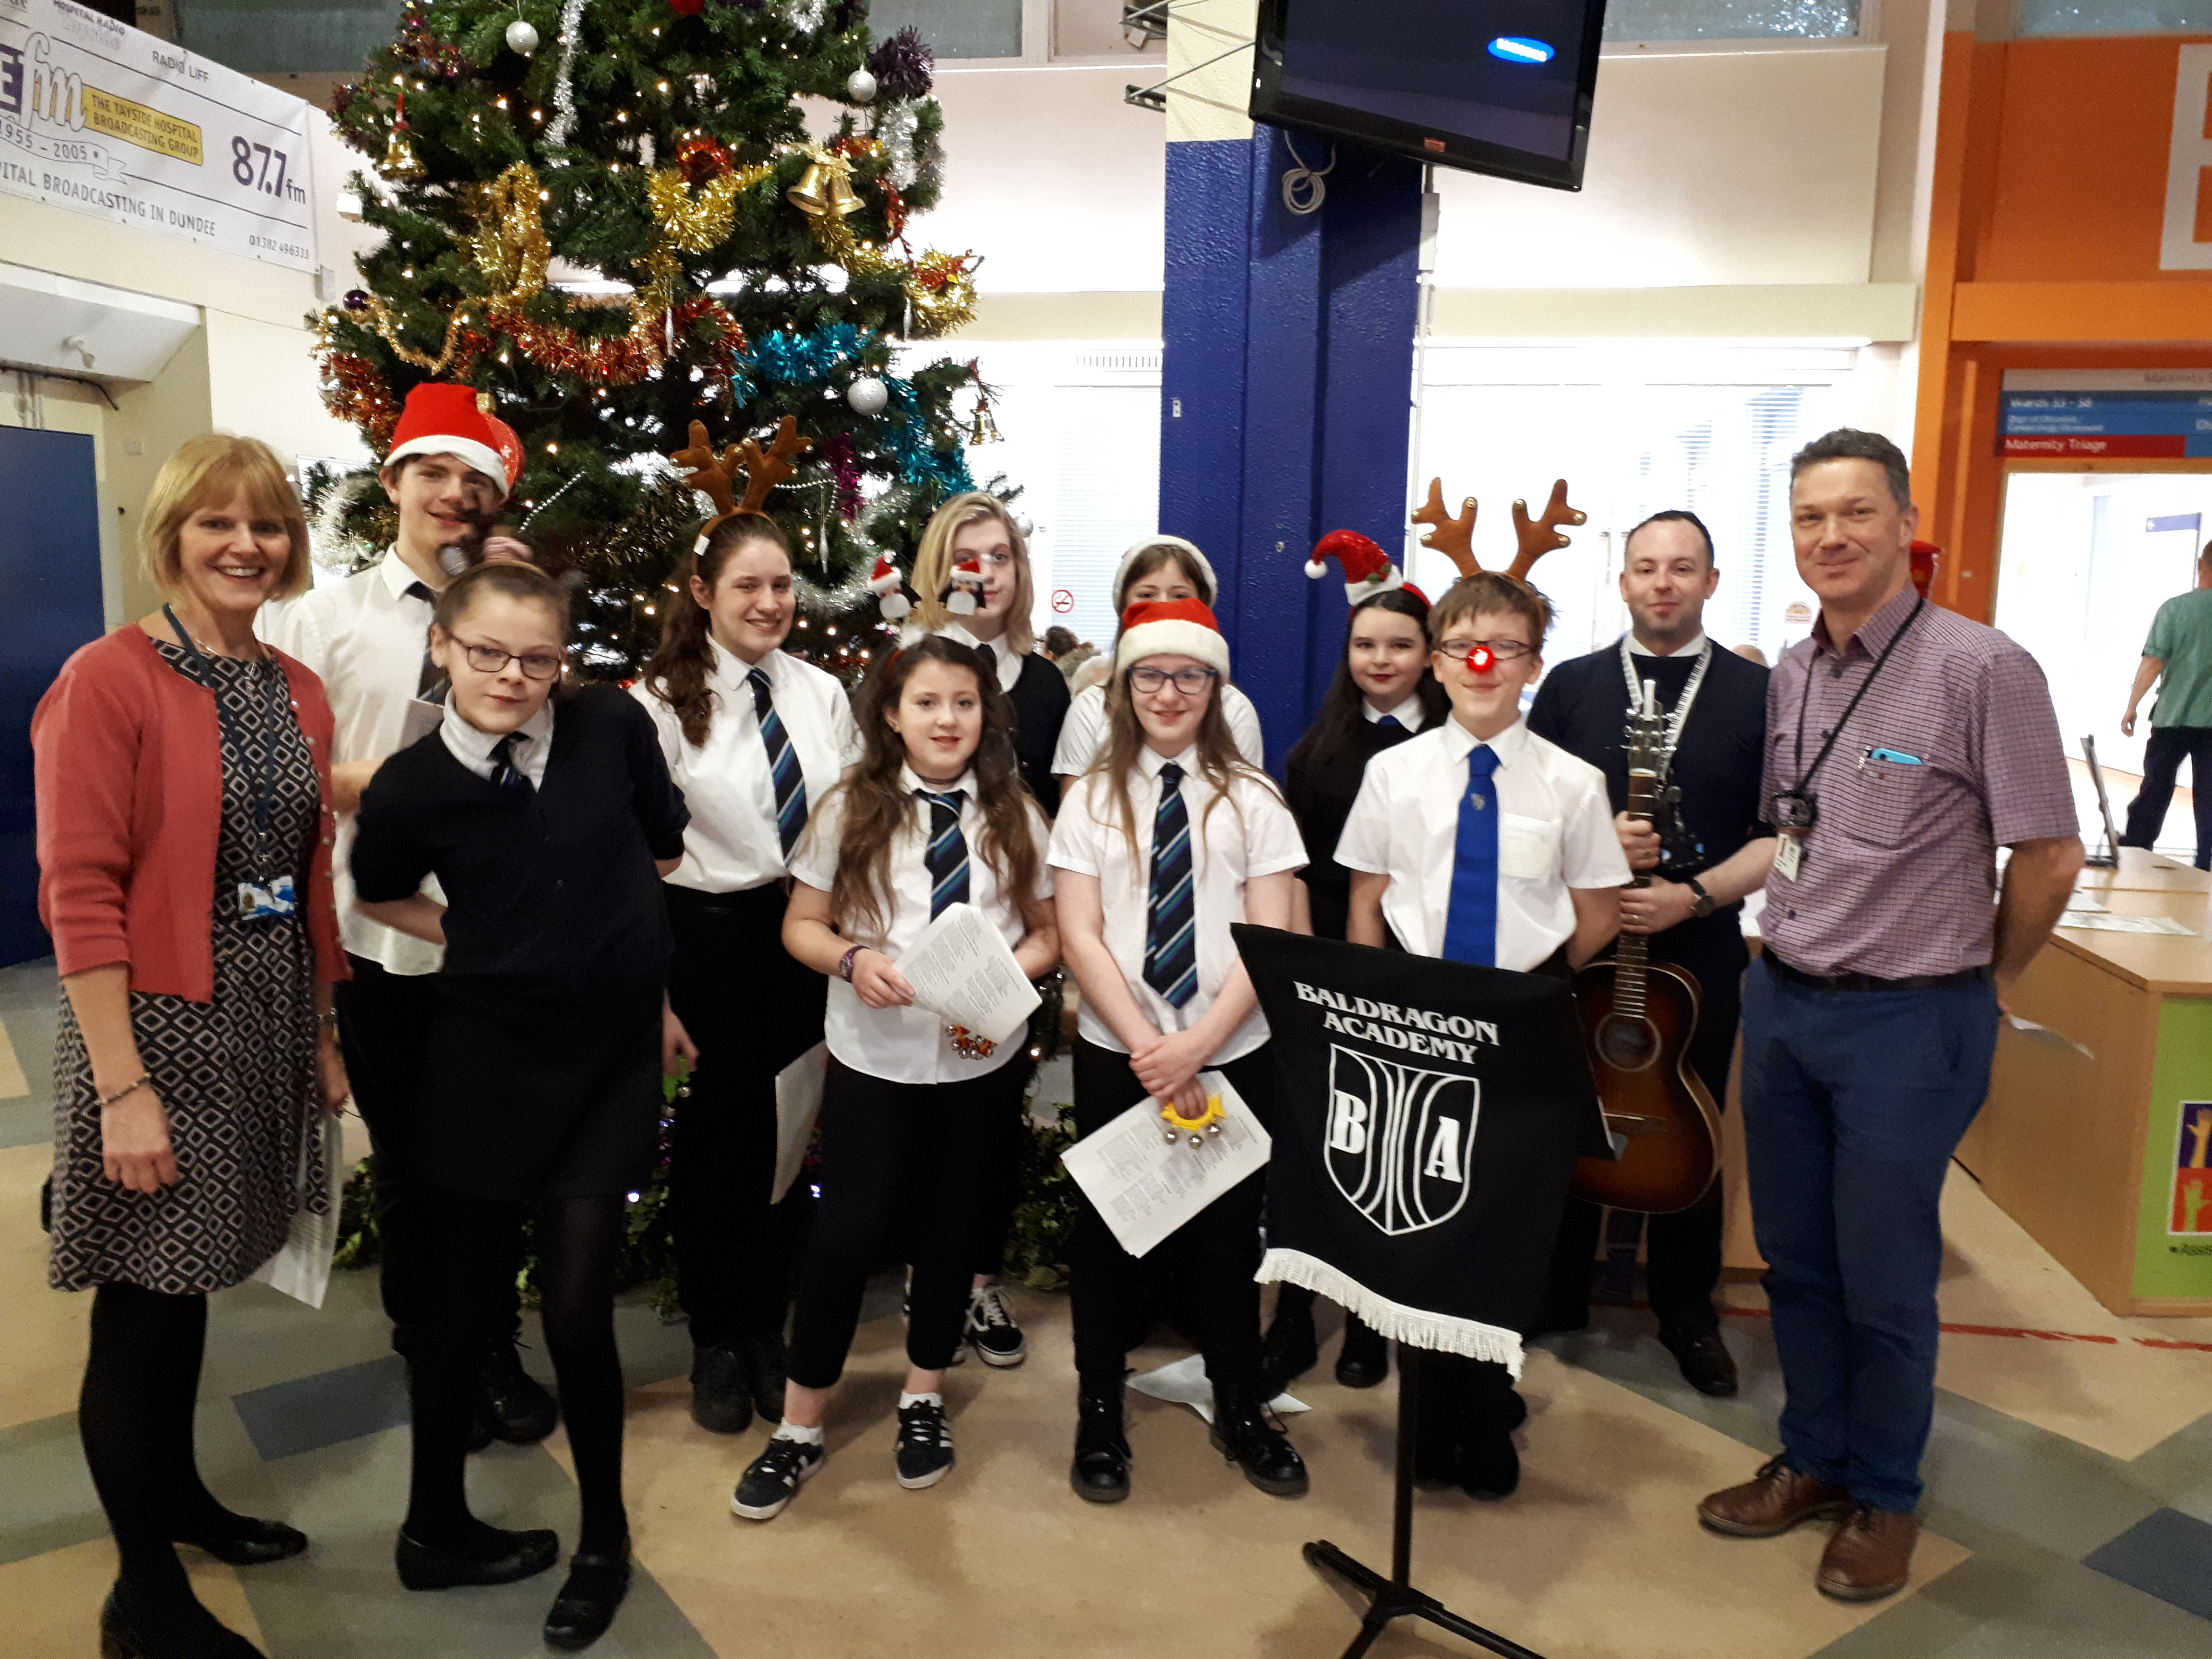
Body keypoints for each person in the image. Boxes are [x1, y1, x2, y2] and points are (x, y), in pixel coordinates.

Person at [1697, 430, 2080, 1603]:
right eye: (1809, 516)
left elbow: (2050, 857)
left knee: (1885, 1271)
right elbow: (1796, 825)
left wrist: (1985, 979)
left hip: (1913, 1020)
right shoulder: (1798, 669)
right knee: (1796, 1260)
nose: (1829, 537)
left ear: (1902, 521)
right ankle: (1813, 1455)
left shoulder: (1981, 666)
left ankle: (1885, 1493)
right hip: (1789, 996)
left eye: (1854, 513)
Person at [34, 434, 349, 1659]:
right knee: (144, 1303)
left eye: (267, 524)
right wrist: (123, 1087)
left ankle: (178, 1498)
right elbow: (81, 891)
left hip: (264, 1012)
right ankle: (141, 1591)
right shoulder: (106, 679)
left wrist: (322, 1027)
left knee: (195, 1278)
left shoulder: (293, 685)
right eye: (217, 522)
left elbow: (309, 875)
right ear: (169, 534)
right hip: (155, 1022)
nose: (245, 544)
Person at [351, 561, 691, 1651]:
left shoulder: (610, 728)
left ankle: (603, 1535)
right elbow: (378, 891)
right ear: (443, 645)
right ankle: (432, 1524)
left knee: (579, 1305)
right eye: (488, 650)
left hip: (605, 1058)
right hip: (483, 1057)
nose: (512, 674)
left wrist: (625, 957)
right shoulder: (408, 785)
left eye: (537, 657)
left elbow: (663, 843)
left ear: (564, 663)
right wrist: (482, 938)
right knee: (457, 1306)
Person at [260, 383, 558, 1449]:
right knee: (418, 1167)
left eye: (474, 481)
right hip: (380, 941)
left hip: (494, 944)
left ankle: (488, 1343)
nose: (453, 496)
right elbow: (276, 776)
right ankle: (433, 1347)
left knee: (495, 1162)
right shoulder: (322, 619)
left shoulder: (510, 619)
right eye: (433, 473)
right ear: (391, 482)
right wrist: (382, 788)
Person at [730, 636, 1059, 1518]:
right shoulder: (852, 807)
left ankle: (922, 1395)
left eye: (963, 702)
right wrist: (852, 960)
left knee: (950, 1230)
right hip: (875, 1058)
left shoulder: (1013, 812)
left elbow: (1045, 932)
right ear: (889, 714)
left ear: (984, 714)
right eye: (926, 703)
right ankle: (800, 1424)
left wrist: (1001, 982)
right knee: (846, 1234)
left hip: (975, 1059)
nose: (946, 719)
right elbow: (801, 923)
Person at [1336, 570, 1629, 1500]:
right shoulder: (1395, 774)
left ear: (1531, 665)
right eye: (1461, 644)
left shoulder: (1574, 785)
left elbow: (1598, 909)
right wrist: (1376, 1006)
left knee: (1503, 1221)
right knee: (1423, 1213)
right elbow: (1367, 901)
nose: (1479, 663)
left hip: (1521, 1017)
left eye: (1502, 648)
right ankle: (1430, 1404)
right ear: (1435, 658)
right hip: (1416, 1012)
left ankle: (1487, 1394)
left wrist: (1535, 984)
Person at [1049, 598, 1311, 1504]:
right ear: (1123, 688)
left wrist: (1196, 1045)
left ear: (1215, 687)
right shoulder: (1087, 798)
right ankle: (1096, 1407)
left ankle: (1240, 1402)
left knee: (1226, 1236)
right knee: (1111, 1233)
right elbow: (1080, 933)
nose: (1169, 692)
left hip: (1228, 1048)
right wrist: (1148, 1046)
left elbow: (1269, 936)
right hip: (1117, 1051)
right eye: (1150, 675)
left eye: (1188, 676)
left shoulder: (1254, 800)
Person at [1527, 509, 1775, 1397]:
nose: (1661, 582)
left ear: (1710, 581)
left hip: (1699, 941)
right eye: (1644, 568)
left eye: (1681, 568)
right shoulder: (1571, 685)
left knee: (1690, 1122)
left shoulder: (1759, 693)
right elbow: (1532, 818)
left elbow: (1779, 833)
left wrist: (1693, 893)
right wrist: (1589, 852)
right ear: (1621, 582)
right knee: (1570, 1109)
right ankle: (1553, 1290)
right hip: (1585, 938)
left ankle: (1683, 1308)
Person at [634, 512, 860, 1434]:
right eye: (747, 588)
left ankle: (767, 1326)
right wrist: (652, 991)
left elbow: (854, 820)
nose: (770, 604)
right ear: (702, 593)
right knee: (718, 1142)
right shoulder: (656, 701)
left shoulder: (821, 692)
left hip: (804, 932)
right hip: (708, 937)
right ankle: (716, 1338)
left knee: (789, 1131)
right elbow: (634, 856)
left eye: (782, 587)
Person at [1261, 540, 1451, 1398]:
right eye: (1365, 646)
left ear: (1429, 654)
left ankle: (1375, 1323)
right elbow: (1297, 871)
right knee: (1315, 1145)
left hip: (1420, 973)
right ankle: (1294, 1314)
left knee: (1396, 1150)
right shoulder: (1317, 752)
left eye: (1399, 646)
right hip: (1334, 966)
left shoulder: (1456, 746)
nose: (1381, 661)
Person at [904, 493, 1069, 1366]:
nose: (985, 572)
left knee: (989, 1121)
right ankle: (918, 1275)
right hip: (908, 937)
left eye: (999, 555)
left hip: (1012, 939)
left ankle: (974, 1282)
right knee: (913, 1118)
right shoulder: (905, 665)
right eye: (966, 557)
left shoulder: (1042, 683)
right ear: (939, 571)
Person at [1051, 537, 1265, 793]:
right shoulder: (1090, 708)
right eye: (1147, 595)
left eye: (1180, 596)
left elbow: (1250, 804)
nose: (1163, 607)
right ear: (1123, 606)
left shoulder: (1233, 710)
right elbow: (1074, 810)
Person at [2119, 541, 2212, 870]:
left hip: (2174, 716)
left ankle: (2137, 847)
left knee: (2157, 786)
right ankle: (2207, 862)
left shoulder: (2175, 609)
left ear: (2201, 565)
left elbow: (2153, 662)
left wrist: (2132, 706)